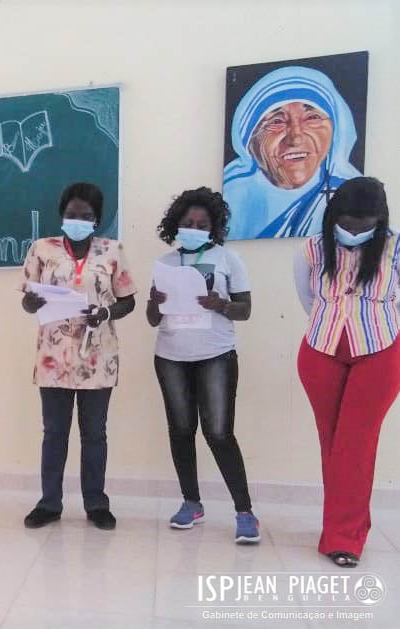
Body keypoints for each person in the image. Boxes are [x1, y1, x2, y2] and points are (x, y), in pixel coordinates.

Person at [294, 177, 400, 567]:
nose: (353, 231)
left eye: (363, 224)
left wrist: (369, 322)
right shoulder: (311, 249)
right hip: (321, 351)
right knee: (333, 443)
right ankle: (341, 526)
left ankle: (345, 539)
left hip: (379, 351)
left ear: (379, 218)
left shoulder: (395, 248)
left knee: (356, 444)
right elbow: (308, 300)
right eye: (347, 223)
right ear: (334, 214)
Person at [146, 187, 260, 544]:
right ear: (175, 225)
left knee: (219, 433)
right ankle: (191, 503)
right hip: (171, 356)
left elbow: (245, 310)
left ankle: (245, 512)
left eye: (202, 223)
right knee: (181, 431)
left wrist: (220, 304)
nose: (193, 227)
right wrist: (154, 301)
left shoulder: (229, 259)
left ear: (214, 227)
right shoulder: (163, 263)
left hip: (216, 356)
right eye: (187, 222)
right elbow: (152, 319)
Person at [20, 182, 136, 530]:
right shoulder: (42, 249)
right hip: (53, 357)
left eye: (86, 216)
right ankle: (49, 503)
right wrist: (33, 302)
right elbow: (26, 301)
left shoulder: (112, 250)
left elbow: (127, 300)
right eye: (72, 214)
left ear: (97, 219)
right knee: (54, 432)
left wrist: (106, 313)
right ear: (62, 215)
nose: (78, 220)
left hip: (97, 357)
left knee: (94, 433)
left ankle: (96, 504)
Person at [224, 66, 363, 239]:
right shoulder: (230, 194)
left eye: (312, 118)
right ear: (249, 139)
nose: (295, 138)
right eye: (276, 121)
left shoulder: (351, 196)